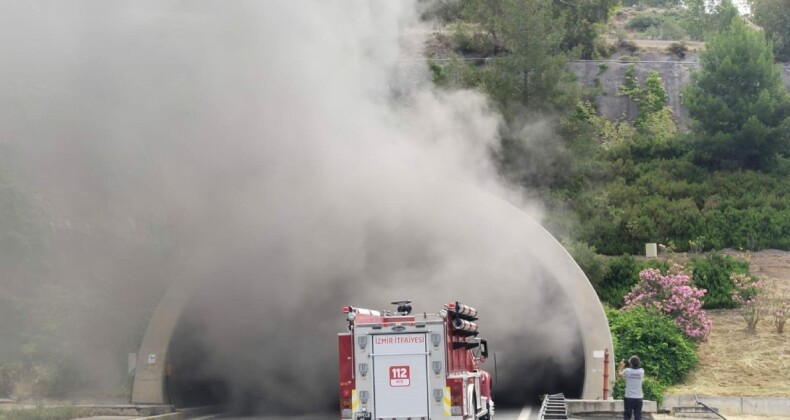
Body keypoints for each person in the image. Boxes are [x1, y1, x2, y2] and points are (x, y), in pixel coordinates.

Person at [618, 355, 644, 420]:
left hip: (629, 397)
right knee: (638, 415)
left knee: (627, 415)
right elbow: (636, 367)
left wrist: (622, 366)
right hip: (639, 398)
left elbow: (619, 375)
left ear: (631, 363)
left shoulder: (627, 371)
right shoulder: (641, 371)